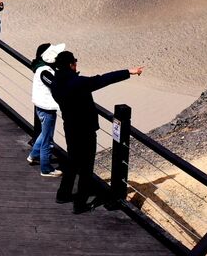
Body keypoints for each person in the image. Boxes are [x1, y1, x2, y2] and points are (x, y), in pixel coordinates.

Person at [50, 50, 143, 213]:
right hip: (85, 129)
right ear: (71, 64)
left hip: (69, 127)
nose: (76, 64)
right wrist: (129, 71)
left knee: (72, 162)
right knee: (86, 167)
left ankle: (63, 194)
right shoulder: (77, 83)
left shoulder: (56, 82)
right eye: (75, 62)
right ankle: (80, 203)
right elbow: (103, 79)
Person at [28, 43, 65, 177]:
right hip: (46, 109)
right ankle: (46, 168)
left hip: (42, 107)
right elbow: (54, 84)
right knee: (47, 140)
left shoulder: (42, 69)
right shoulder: (45, 72)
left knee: (44, 133)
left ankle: (33, 155)